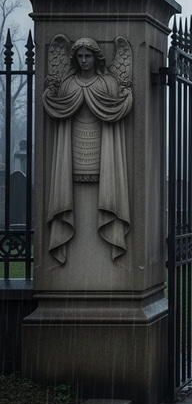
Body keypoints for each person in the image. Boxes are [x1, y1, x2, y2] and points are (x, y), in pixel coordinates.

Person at [42, 36, 132, 263]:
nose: (84, 60)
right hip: (72, 159)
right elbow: (58, 109)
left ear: (96, 57)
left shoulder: (108, 84)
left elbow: (116, 109)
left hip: (102, 160)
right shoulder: (67, 85)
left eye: (88, 56)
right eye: (80, 56)